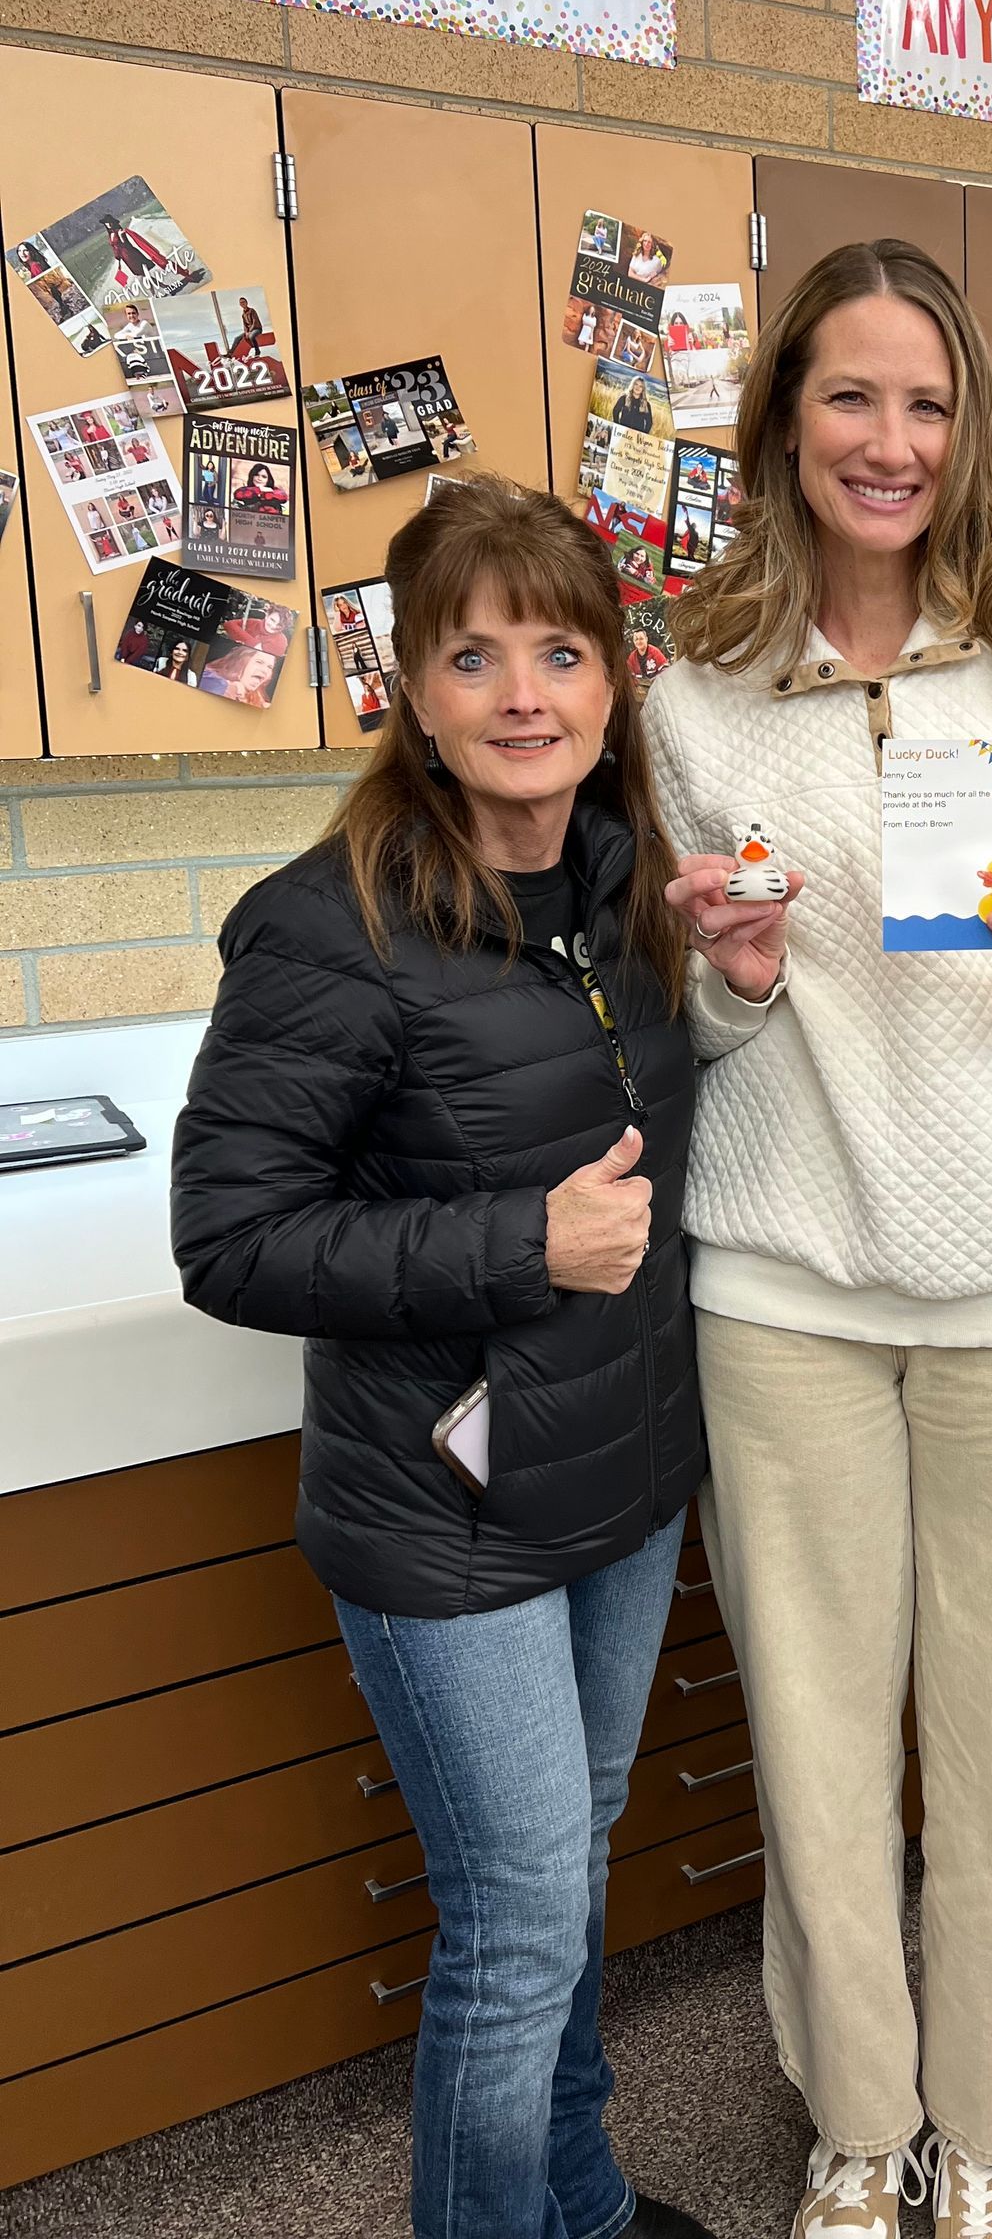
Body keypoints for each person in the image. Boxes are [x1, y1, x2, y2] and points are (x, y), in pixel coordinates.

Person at [644, 239, 992, 2239]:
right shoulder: (693, 697)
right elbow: (689, 1013)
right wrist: (741, 976)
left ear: (970, 435)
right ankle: (861, 2118)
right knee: (817, 1750)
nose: (890, 440)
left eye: (927, 404)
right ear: (784, 420)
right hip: (785, 1290)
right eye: (851, 397)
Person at [171, 478, 717, 2239]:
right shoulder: (327, 925)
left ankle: (587, 2203)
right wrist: (516, 1244)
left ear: (616, 679)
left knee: (569, 1882)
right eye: (473, 655)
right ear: (408, 684)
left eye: (561, 649)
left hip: (618, 1477)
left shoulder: (622, 885)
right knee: (517, 1919)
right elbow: (232, 1239)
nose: (523, 694)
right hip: (445, 1509)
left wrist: (749, 991)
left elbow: (653, 1135)